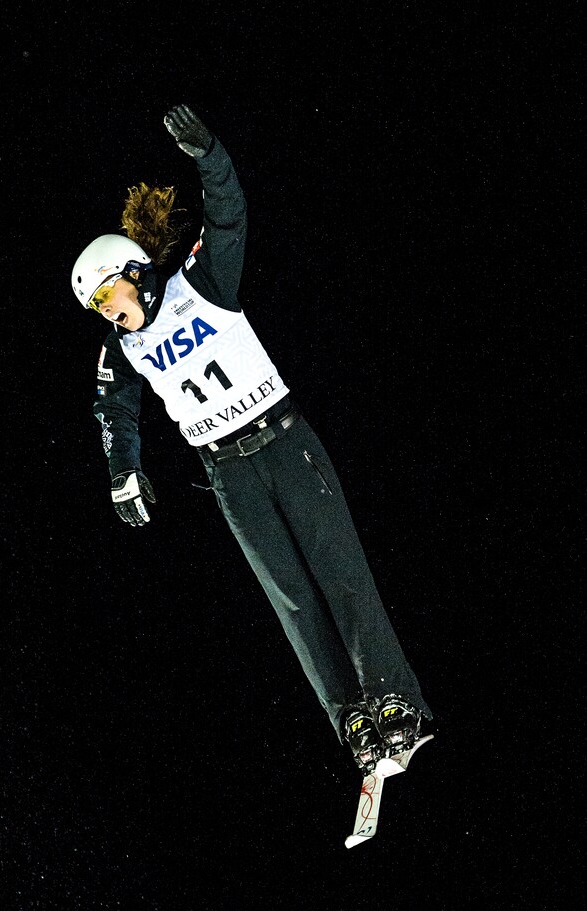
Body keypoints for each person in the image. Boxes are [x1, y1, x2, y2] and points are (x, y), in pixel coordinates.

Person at [71, 104, 434, 775]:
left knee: (341, 574)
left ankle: (393, 702)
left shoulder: (201, 283)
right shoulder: (120, 348)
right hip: (229, 476)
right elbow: (111, 408)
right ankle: (351, 721)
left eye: (106, 295)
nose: (106, 310)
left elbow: (228, 212)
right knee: (292, 601)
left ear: (134, 273)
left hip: (283, 443)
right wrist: (125, 471)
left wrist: (209, 153)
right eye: (96, 306)